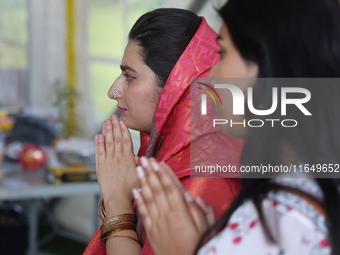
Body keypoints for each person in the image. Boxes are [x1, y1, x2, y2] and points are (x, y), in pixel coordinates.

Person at [132, 0, 340, 254]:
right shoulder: (308, 188)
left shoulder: (280, 220)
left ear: (265, 63)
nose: (209, 77)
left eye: (223, 53)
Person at [84, 8, 243, 255]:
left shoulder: (204, 180)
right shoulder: (179, 156)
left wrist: (117, 201)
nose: (113, 91)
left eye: (129, 76)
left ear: (175, 87)